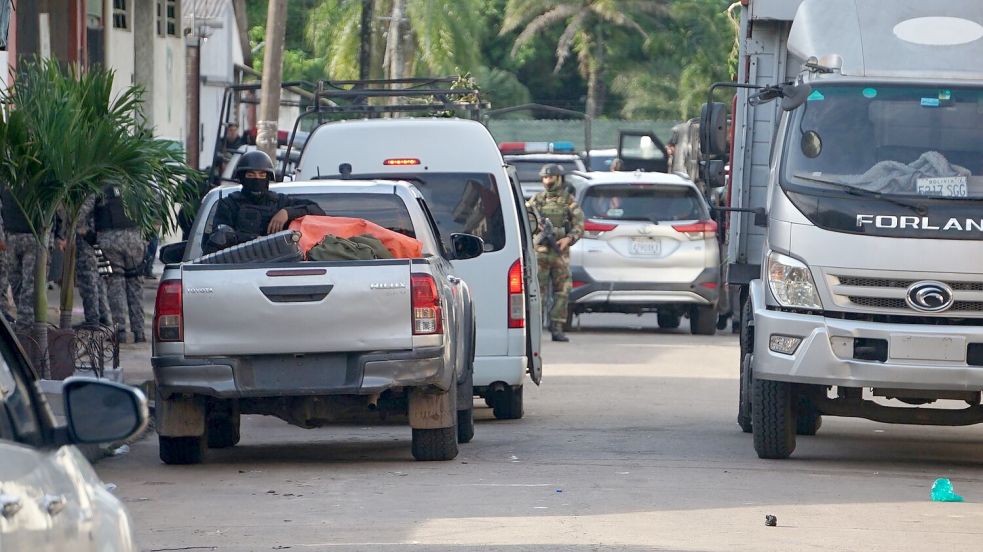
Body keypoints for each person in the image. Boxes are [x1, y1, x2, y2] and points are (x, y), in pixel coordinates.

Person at [206, 150, 324, 253]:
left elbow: (316, 210)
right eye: (251, 175)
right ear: (242, 177)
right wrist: (254, 240)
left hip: (276, 264)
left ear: (268, 178)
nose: (256, 179)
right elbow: (219, 235)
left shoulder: (279, 202)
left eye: (262, 175)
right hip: (238, 265)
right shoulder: (229, 204)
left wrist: (287, 212)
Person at [526, 164, 584, 342]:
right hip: (540, 252)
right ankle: (535, 329)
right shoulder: (536, 201)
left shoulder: (568, 201)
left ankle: (557, 327)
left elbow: (579, 225)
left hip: (560, 253)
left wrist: (568, 239)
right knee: (537, 292)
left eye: (551, 177)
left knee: (562, 291)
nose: (547, 181)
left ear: (559, 178)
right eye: (545, 177)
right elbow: (526, 221)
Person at [94, 185, 147, 344]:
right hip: (134, 238)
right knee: (135, 284)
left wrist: (88, 235)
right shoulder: (134, 183)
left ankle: (120, 332)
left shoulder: (98, 186)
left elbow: (83, 213)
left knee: (115, 285)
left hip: (109, 240)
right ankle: (139, 332)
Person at [2, 188, 37, 330]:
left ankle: (26, 323)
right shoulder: (6, 179)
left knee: (30, 282)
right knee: (15, 280)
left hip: (33, 237)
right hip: (12, 236)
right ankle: (24, 319)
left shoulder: (38, 176)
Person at [75, 195, 112, 327]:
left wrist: (80, 230)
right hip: (101, 240)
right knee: (99, 280)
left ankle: (92, 319)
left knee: (88, 280)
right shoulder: (104, 188)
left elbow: (79, 216)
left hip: (88, 241)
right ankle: (104, 316)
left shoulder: (90, 191)